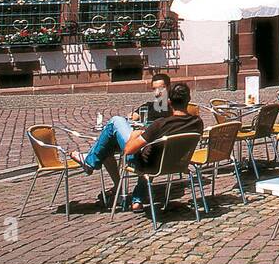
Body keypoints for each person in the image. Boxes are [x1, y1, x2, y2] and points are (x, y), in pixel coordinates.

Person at [73, 82, 204, 211]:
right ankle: (137, 200)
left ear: (169, 101)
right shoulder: (197, 123)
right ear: (189, 99)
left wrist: (136, 134)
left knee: (116, 121)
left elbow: (128, 150)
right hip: (176, 164)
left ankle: (91, 161)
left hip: (146, 166)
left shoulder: (160, 124)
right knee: (152, 153)